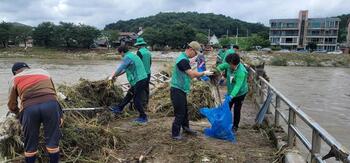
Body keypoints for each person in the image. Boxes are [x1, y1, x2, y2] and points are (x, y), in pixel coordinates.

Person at [8, 62, 62, 163]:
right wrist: (60, 114)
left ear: (15, 72)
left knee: (30, 145)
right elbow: (53, 94)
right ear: (28, 68)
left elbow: (12, 104)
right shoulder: (44, 72)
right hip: (51, 105)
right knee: (52, 143)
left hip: (29, 108)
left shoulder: (15, 79)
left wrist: (18, 114)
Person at [170, 41, 213, 140]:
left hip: (181, 89)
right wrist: (204, 73)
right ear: (191, 49)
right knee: (180, 112)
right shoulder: (182, 60)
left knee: (184, 110)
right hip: (177, 89)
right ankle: (175, 134)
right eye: (195, 53)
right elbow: (192, 74)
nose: (195, 56)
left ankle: (186, 128)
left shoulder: (184, 59)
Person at [109, 45, 148, 123]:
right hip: (142, 78)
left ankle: (143, 117)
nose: (121, 55)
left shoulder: (127, 57)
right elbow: (124, 70)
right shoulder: (133, 55)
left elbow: (120, 68)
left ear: (122, 52)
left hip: (139, 79)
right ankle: (119, 108)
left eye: (120, 53)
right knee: (129, 94)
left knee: (136, 99)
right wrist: (115, 76)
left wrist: (112, 76)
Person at [216, 53, 248, 132]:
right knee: (227, 108)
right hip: (230, 91)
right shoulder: (229, 64)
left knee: (237, 109)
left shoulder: (241, 72)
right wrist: (217, 70)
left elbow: (238, 86)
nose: (228, 65)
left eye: (229, 64)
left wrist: (231, 96)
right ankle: (224, 123)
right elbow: (220, 67)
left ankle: (235, 126)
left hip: (240, 93)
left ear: (233, 64)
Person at [135, 37, 152, 108]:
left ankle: (142, 104)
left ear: (139, 45)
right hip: (148, 72)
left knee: (141, 89)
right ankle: (146, 103)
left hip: (142, 74)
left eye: (137, 46)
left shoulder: (139, 52)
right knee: (146, 88)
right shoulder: (148, 52)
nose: (137, 47)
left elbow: (137, 64)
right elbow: (150, 62)